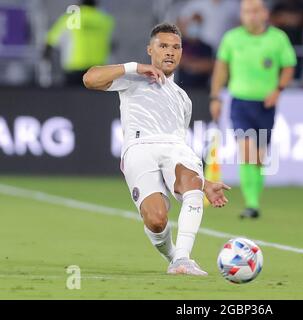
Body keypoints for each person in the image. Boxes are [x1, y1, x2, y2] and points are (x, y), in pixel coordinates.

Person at [83, 23, 230, 275]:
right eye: (163, 46)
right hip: (138, 148)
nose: (170, 52)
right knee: (156, 219)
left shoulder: (183, 98)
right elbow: (89, 79)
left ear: (181, 53)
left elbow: (181, 147)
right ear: (150, 49)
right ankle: (174, 256)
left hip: (174, 147)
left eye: (176, 47)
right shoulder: (133, 78)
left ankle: (183, 258)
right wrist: (135, 67)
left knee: (192, 186)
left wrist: (203, 183)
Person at [210, 0, 296, 219]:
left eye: (255, 11)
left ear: (264, 13)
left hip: (265, 105)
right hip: (240, 102)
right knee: (246, 151)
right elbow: (221, 69)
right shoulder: (232, 38)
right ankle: (252, 204)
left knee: (258, 157)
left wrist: (278, 90)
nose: (251, 16)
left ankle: (254, 200)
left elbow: (288, 66)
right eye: (246, 11)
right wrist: (215, 97)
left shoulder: (278, 38)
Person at [44, 0, 115, 86]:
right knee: (96, 98)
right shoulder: (105, 19)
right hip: (98, 69)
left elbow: (51, 40)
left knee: (74, 98)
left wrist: (46, 56)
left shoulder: (72, 18)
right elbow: (112, 44)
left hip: (75, 67)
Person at [177, 13, 215, 87]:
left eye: (197, 24)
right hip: (182, 87)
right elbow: (176, 62)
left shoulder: (207, 47)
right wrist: (197, 64)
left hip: (202, 89)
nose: (194, 27)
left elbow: (210, 65)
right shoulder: (179, 44)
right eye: (193, 24)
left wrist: (188, 63)